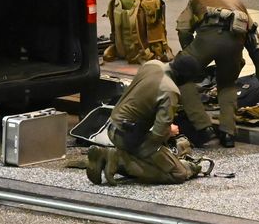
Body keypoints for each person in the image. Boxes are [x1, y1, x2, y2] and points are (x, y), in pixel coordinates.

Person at [175, 0, 259, 148]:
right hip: (234, 47)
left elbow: (183, 29)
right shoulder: (239, 6)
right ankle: (228, 133)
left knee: (180, 76)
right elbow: (257, 47)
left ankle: (203, 127)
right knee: (227, 84)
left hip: (205, 42)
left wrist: (189, 57)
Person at [85, 54, 212, 185]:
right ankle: (117, 159)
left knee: (162, 157)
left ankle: (114, 158)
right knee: (178, 174)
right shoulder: (170, 91)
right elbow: (157, 135)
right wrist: (168, 133)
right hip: (128, 136)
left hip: (113, 125)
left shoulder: (152, 64)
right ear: (184, 78)